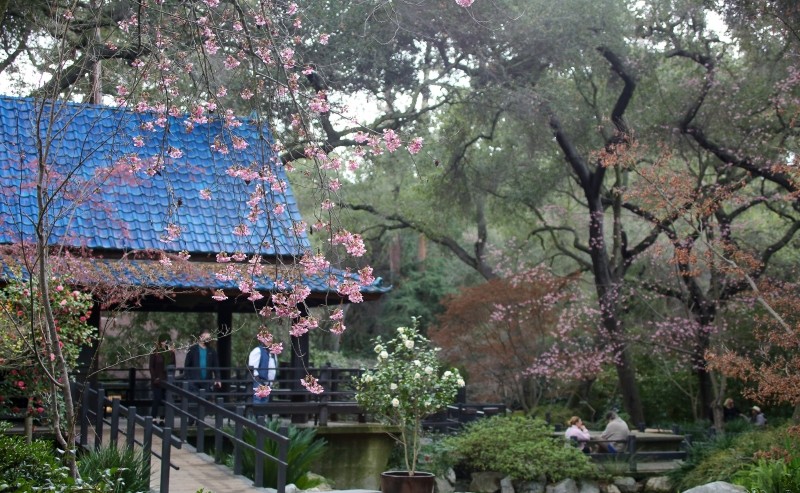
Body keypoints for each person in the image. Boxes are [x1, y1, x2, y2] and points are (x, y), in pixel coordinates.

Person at [148, 332, 175, 426]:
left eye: (167, 341)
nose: (165, 343)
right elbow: (151, 367)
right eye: (164, 341)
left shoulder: (171, 353)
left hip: (167, 380)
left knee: (166, 400)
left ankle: (163, 419)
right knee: (157, 399)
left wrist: (172, 378)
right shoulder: (155, 352)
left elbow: (173, 366)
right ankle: (153, 418)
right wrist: (154, 378)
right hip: (157, 380)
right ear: (160, 342)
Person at [248, 339, 278, 404]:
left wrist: (271, 382)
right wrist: (257, 378)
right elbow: (252, 366)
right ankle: (257, 414)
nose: (269, 342)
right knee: (257, 401)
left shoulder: (273, 353)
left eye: (270, 340)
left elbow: (274, 367)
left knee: (265, 402)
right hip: (259, 380)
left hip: (268, 382)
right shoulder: (258, 350)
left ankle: (262, 414)